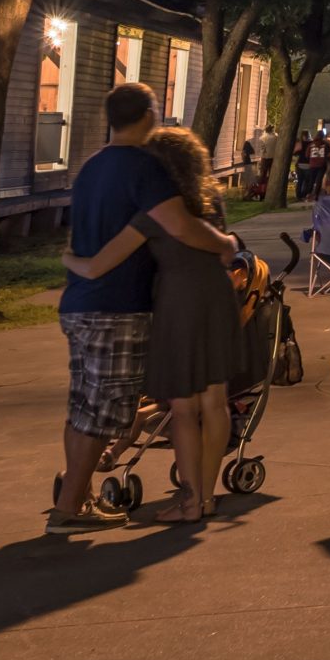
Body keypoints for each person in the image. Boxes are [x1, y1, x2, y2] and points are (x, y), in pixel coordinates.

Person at [48, 83, 216, 535]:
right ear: (147, 115)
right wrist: (224, 245)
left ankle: (77, 500)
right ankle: (68, 510)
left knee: (83, 406)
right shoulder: (143, 166)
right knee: (104, 411)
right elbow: (179, 225)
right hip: (117, 304)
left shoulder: (92, 167)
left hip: (80, 302)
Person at [64, 126, 245, 524]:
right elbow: (223, 249)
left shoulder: (152, 213)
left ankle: (191, 500)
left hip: (178, 302)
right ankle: (208, 498)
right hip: (218, 297)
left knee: (183, 409)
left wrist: (68, 261)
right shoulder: (211, 198)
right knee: (216, 403)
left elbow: (99, 265)